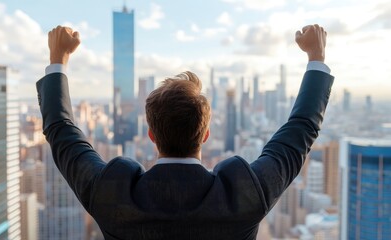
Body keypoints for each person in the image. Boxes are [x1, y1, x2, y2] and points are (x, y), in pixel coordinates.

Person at [37, 24, 334, 240]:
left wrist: (58, 58)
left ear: (151, 135)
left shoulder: (114, 195)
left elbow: (61, 133)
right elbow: (300, 131)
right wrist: (316, 56)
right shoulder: (242, 196)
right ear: (205, 135)